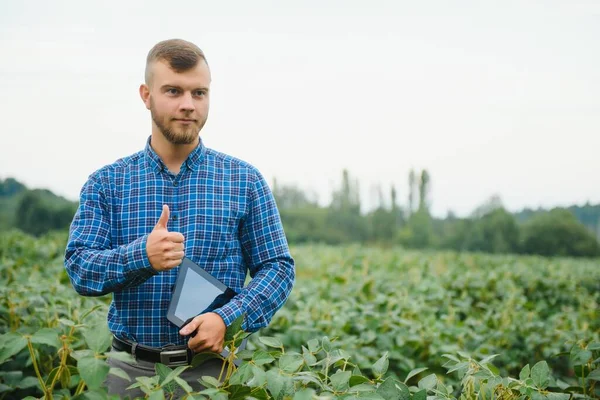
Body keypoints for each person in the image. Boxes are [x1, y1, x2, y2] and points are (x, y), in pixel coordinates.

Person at [64, 38, 295, 397]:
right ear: (146, 95)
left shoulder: (243, 179)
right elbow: (80, 267)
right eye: (173, 91)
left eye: (199, 93)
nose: (188, 105)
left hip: (215, 373)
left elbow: (278, 267)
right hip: (130, 374)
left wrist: (227, 318)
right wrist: (142, 256)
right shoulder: (108, 183)